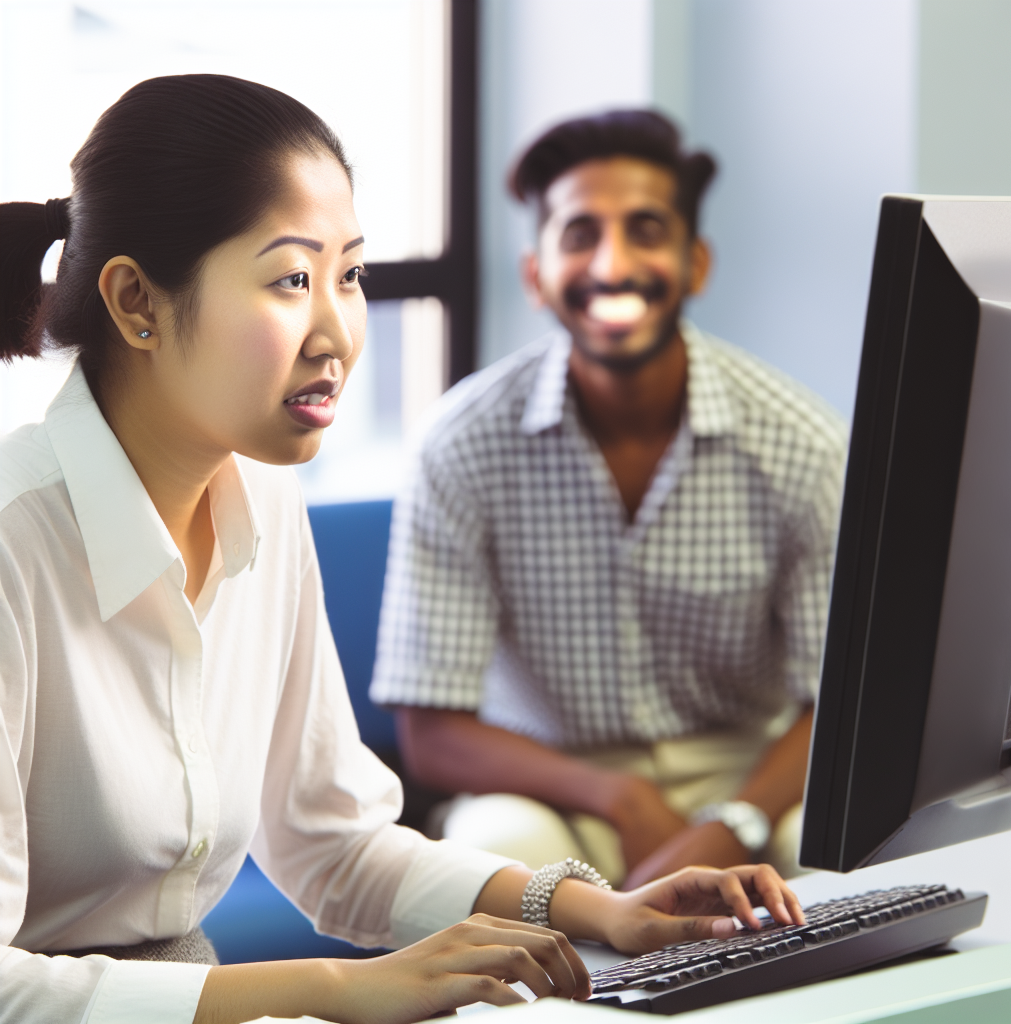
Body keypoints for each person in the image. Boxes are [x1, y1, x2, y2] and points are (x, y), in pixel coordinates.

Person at [0, 77, 804, 1024]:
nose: (338, 331)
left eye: (350, 275)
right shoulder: (16, 544)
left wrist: (607, 913)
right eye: (292, 280)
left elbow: (334, 842)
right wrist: (336, 988)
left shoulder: (262, 492)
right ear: (136, 301)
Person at [370, 110, 847, 891]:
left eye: (646, 230)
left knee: (819, 846)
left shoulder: (803, 444)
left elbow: (833, 704)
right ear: (536, 275)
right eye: (580, 234)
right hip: (554, 781)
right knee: (496, 845)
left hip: (747, 774)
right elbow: (430, 731)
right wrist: (617, 796)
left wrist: (733, 826)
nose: (613, 264)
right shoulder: (459, 443)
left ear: (696, 264)